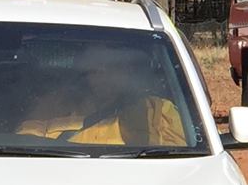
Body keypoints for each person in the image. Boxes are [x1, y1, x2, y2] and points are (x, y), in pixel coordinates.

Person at [17, 42, 186, 148]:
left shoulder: (158, 110)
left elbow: (179, 162)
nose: (103, 76)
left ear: (127, 71)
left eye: (111, 68)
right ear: (84, 73)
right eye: (95, 70)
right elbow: (26, 144)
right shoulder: (57, 103)